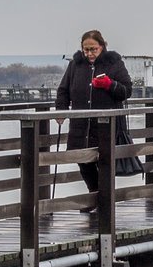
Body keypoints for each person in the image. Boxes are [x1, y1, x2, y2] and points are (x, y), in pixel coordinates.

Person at [55, 30, 133, 211]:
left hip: (106, 124)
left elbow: (126, 90)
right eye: (86, 49)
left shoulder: (114, 63)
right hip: (81, 124)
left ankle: (102, 200)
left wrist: (109, 84)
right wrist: (61, 110)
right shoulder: (76, 64)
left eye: (93, 49)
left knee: (104, 161)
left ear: (102, 47)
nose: (89, 54)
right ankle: (95, 193)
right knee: (81, 158)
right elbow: (63, 90)